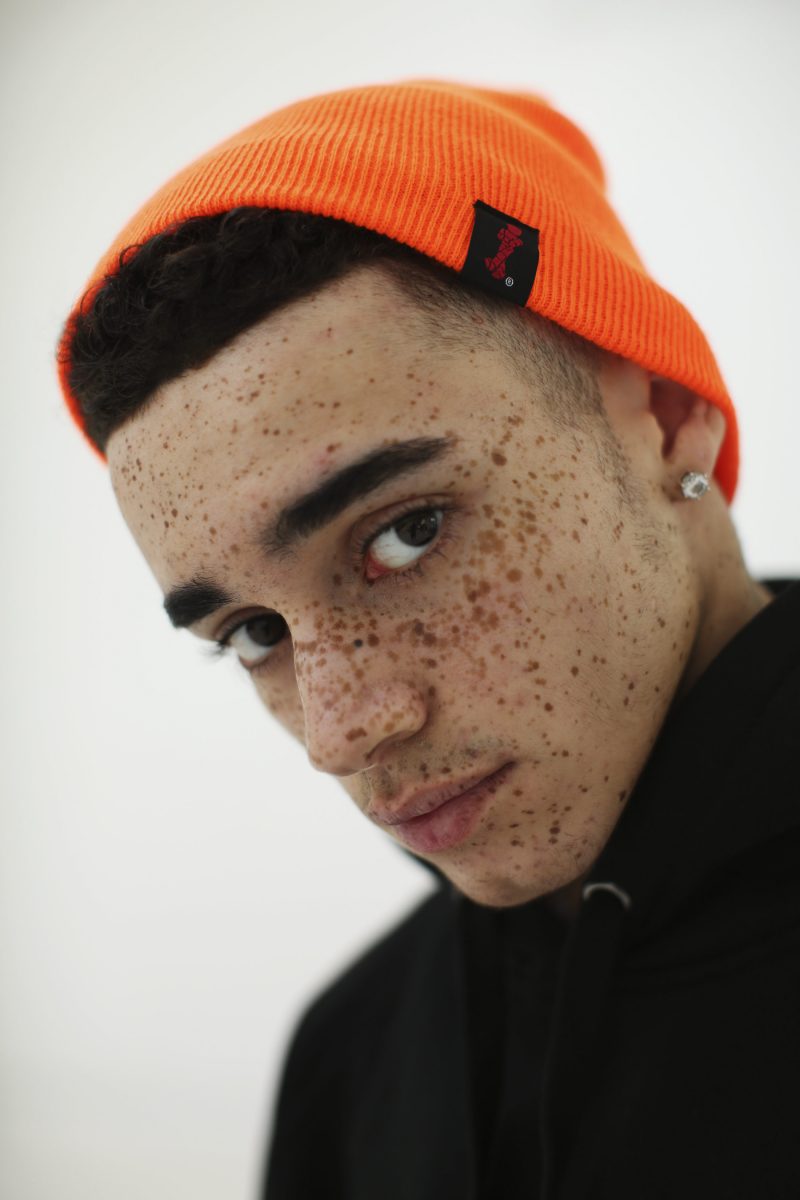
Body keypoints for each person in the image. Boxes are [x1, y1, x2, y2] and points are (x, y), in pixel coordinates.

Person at [55, 78, 799, 1199]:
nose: (341, 733)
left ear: (663, 410)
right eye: (252, 632)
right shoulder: (351, 1062)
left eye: (404, 534)